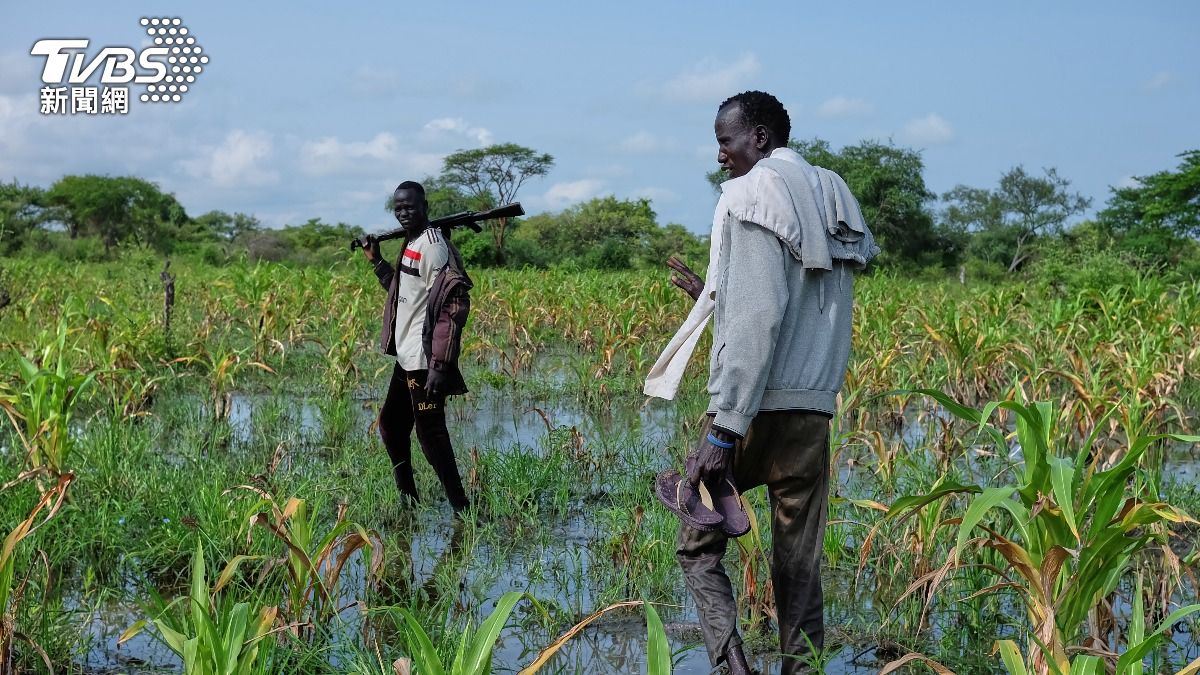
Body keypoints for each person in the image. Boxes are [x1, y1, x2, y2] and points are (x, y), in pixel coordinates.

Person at [652, 91, 878, 674]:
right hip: (811, 414)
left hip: (750, 412)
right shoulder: (830, 193)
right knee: (798, 566)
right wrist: (714, 289)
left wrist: (725, 429)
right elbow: (799, 298)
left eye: (726, 141)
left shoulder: (753, 194)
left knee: (697, 546)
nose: (721, 155)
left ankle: (733, 669)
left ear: (758, 137)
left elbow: (759, 318)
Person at [361, 181, 472, 514]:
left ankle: (463, 512)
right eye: (398, 207)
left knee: (432, 437)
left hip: (425, 360)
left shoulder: (434, 247)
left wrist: (440, 365)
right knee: (391, 426)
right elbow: (402, 292)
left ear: (425, 206)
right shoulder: (411, 242)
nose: (403, 212)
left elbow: (451, 307)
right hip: (407, 356)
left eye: (409, 206)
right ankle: (408, 501)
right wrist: (376, 262)